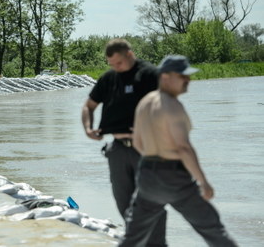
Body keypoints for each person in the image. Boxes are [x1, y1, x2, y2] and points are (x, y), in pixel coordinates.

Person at [119, 55, 237, 247]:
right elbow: (183, 148)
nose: (188, 80)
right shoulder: (173, 106)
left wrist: (153, 164)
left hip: (147, 176)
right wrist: (203, 181)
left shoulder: (144, 102)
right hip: (174, 178)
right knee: (212, 230)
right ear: (165, 76)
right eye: (183, 76)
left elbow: (138, 143)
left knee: (132, 237)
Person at [81, 38, 166, 246]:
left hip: (146, 148)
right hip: (117, 150)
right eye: (111, 65)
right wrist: (88, 128)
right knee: (123, 202)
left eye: (118, 63)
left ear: (130, 54)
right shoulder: (109, 79)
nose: (115, 68)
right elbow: (88, 106)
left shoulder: (150, 75)